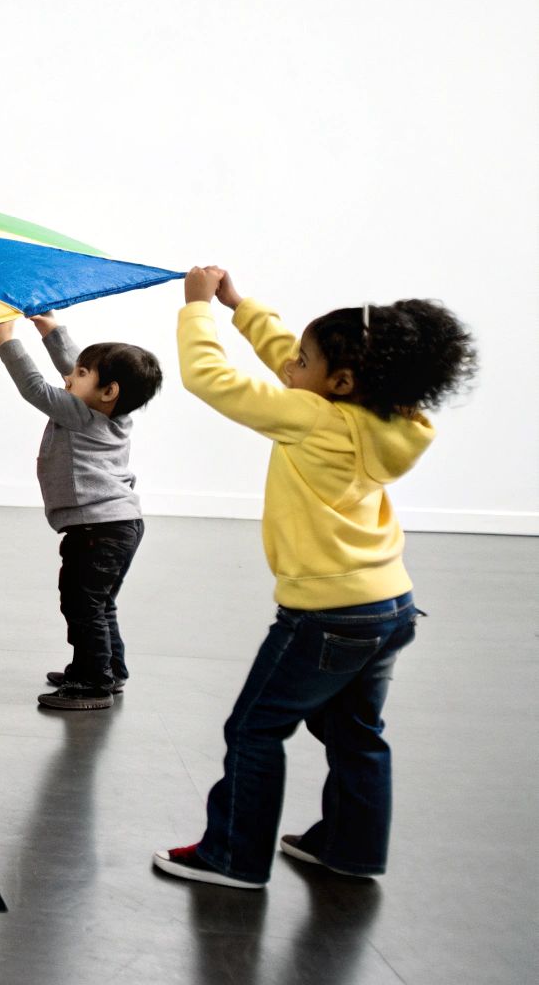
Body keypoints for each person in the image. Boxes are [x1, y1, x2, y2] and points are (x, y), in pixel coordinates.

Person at [152, 266, 477, 889]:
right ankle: (351, 849)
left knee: (253, 728)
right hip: (390, 604)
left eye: (303, 361)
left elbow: (209, 379)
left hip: (326, 614)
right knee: (356, 732)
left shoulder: (312, 418)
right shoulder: (398, 420)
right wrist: (240, 306)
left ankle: (234, 857)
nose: (290, 367)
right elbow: (297, 366)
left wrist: (197, 309)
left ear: (341, 380)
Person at [0, 314, 162, 710]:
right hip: (118, 525)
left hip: (97, 529)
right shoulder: (113, 409)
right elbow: (75, 370)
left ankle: (93, 682)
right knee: (100, 604)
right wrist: (51, 331)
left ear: (108, 390)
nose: (69, 378)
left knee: (82, 605)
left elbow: (34, 388)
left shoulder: (81, 414)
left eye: (80, 374)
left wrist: (7, 342)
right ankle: (107, 669)